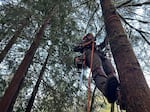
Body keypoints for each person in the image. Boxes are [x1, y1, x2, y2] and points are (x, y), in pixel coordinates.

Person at [74, 33, 119, 103]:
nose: (91, 37)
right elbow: (76, 48)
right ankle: (106, 90)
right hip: (89, 53)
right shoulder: (83, 44)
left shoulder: (97, 47)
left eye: (91, 36)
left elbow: (104, 44)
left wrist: (108, 36)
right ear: (85, 38)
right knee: (98, 69)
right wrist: (88, 43)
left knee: (111, 71)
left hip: (101, 55)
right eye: (89, 36)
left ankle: (117, 93)